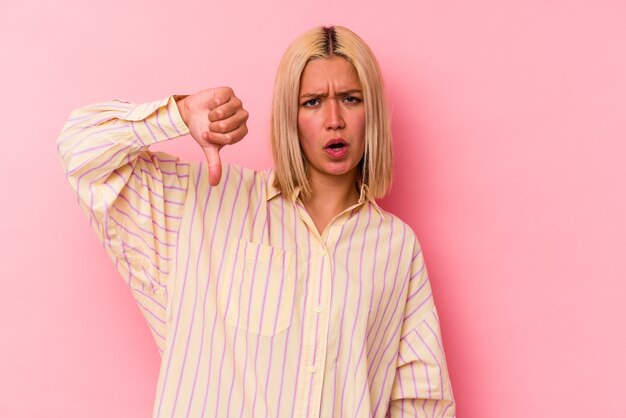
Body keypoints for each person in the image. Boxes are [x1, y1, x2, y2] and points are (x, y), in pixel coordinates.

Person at [57, 26, 455, 417]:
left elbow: (422, 403)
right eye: (313, 102)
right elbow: (79, 151)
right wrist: (178, 114)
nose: (334, 119)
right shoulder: (206, 204)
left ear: (373, 113)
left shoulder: (396, 247)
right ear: (289, 115)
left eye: (351, 98)